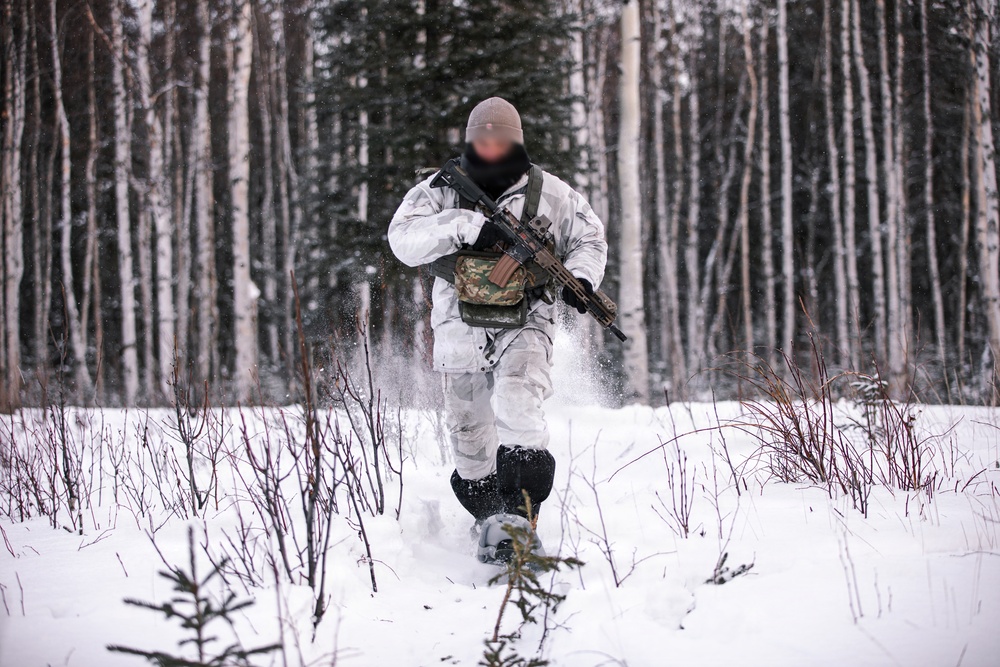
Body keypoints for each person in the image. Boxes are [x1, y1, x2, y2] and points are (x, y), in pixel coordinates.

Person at [388, 97, 608, 562]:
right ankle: (489, 520)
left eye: (500, 142)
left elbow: (589, 238)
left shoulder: (552, 193)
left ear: (516, 143)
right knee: (468, 433)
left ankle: (519, 519)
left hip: (527, 318)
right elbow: (402, 239)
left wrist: (582, 279)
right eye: (481, 142)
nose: (490, 150)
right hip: (458, 321)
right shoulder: (439, 191)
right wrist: (466, 226)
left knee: (518, 402)